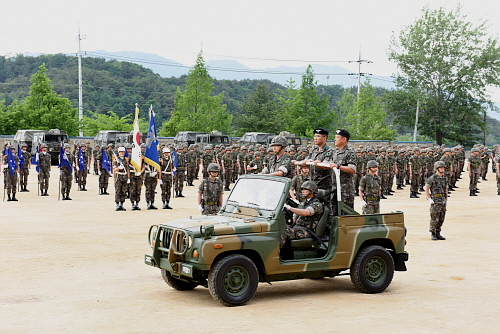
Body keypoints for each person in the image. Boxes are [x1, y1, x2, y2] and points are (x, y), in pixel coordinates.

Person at [280, 181, 324, 248]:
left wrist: (289, 208)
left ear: (312, 191)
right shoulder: (302, 203)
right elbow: (294, 218)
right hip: (297, 228)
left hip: (307, 231)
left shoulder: (317, 204)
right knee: (278, 229)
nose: (303, 191)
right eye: (302, 189)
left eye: (305, 189)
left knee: (284, 232)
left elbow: (305, 212)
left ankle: (274, 253)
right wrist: (286, 224)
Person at [324, 129, 357, 216]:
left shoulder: (350, 152)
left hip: (345, 189)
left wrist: (338, 167)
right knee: (334, 212)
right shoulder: (334, 152)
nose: (335, 140)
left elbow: (352, 169)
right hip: (334, 187)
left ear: (344, 139)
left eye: (337, 138)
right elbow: (327, 163)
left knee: (345, 213)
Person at [424, 161, 449, 240]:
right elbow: (426, 188)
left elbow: (446, 189)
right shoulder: (432, 178)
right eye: (441, 168)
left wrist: (446, 199)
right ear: (437, 169)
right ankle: (433, 233)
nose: (442, 169)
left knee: (441, 218)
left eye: (443, 168)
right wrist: (429, 199)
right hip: (435, 201)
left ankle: (438, 233)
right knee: (434, 218)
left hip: (442, 200)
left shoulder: (445, 178)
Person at [113, 147, 130, 211]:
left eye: (123, 152)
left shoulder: (126, 160)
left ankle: (122, 204)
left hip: (124, 177)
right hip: (118, 177)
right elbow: (114, 170)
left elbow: (127, 169)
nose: (122, 153)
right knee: (118, 191)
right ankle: (117, 205)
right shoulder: (116, 160)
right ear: (119, 152)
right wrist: (119, 168)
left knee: (123, 191)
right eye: (121, 152)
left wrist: (128, 178)